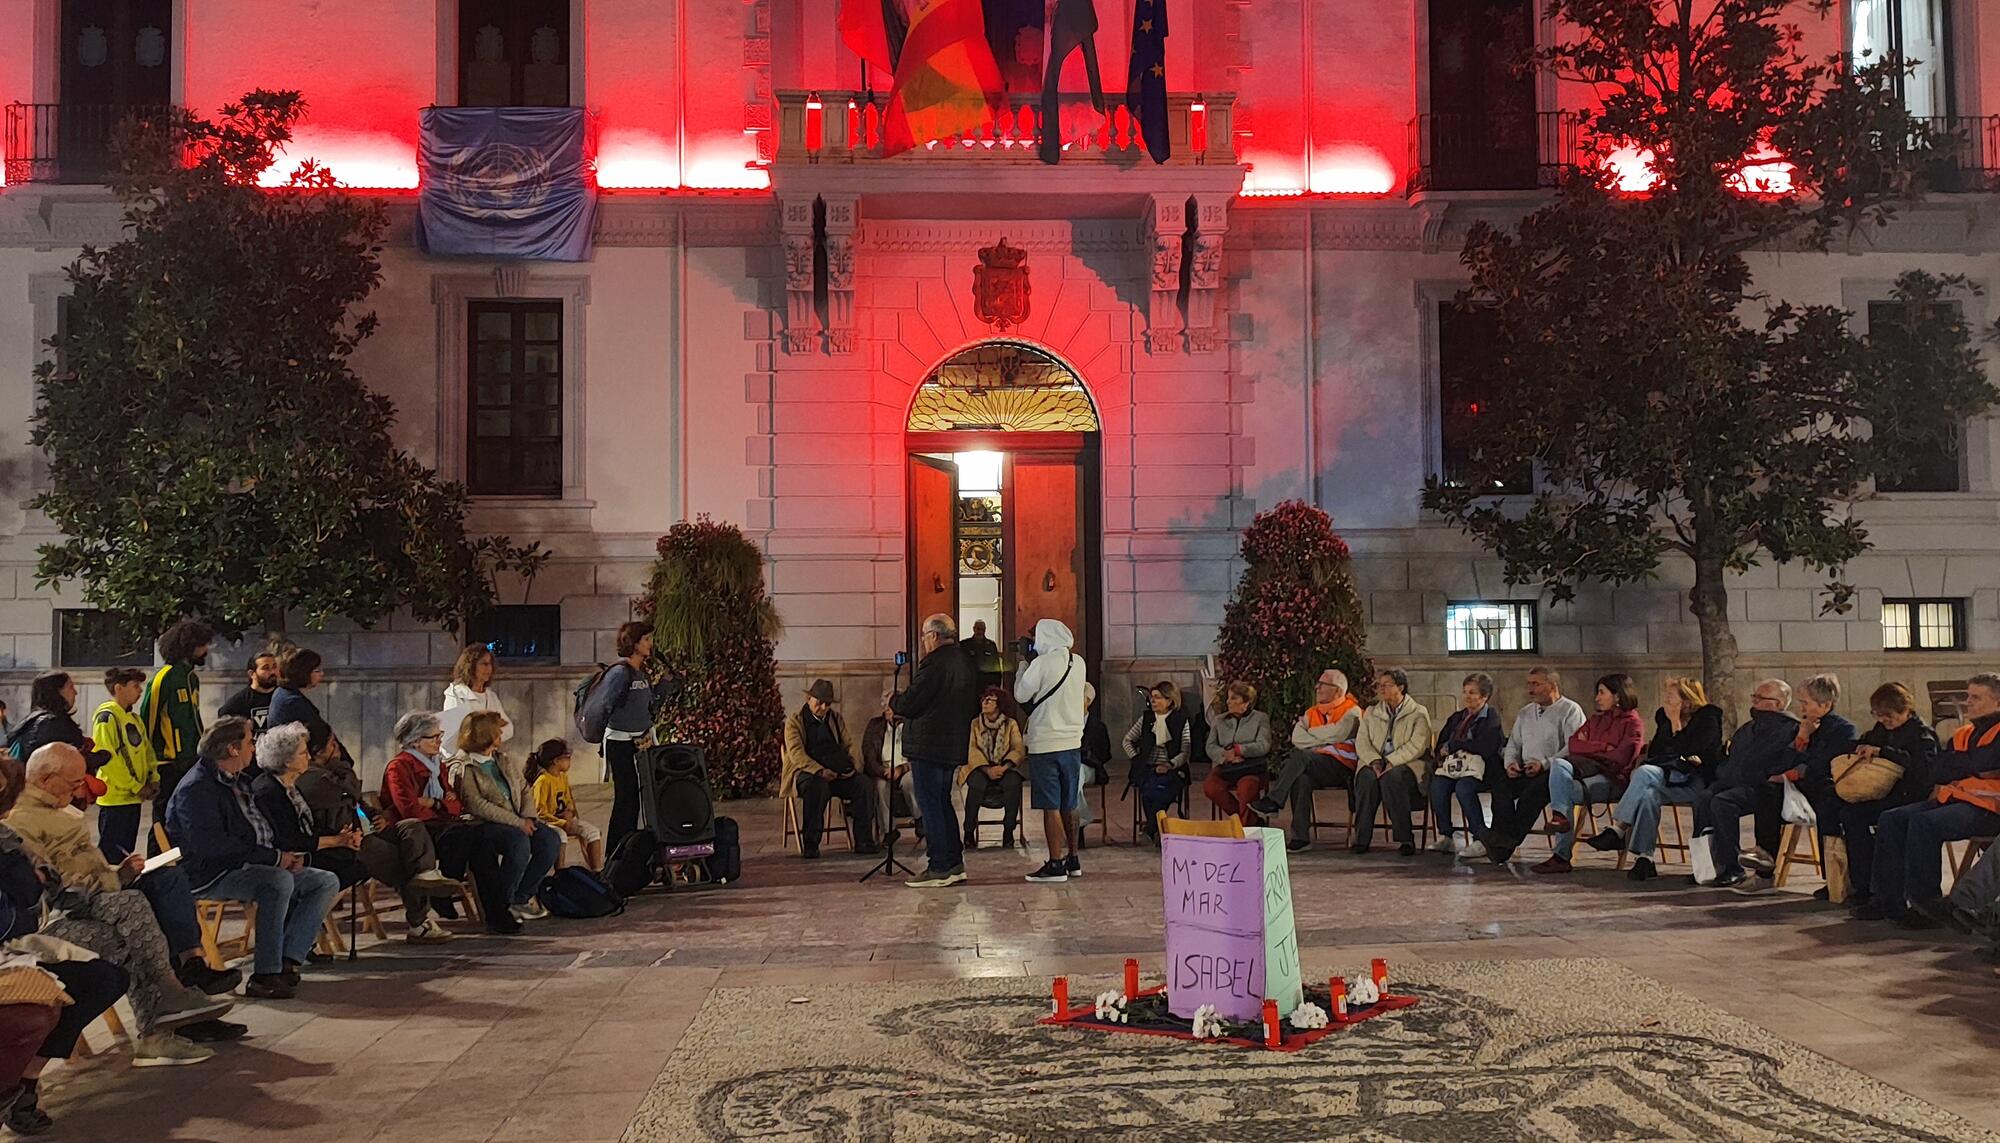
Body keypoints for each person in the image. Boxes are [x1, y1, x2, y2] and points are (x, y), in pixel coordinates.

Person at [7, 747, 239, 1062]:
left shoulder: (57, 809)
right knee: (132, 914)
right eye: (74, 783)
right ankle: (165, 1012)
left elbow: (80, 867)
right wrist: (114, 879)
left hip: (93, 898)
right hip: (57, 917)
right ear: (46, 779)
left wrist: (118, 872)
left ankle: (182, 986)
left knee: (159, 889)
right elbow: (52, 884)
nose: (80, 789)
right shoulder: (21, 821)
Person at [164, 716, 341, 1000]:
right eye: (249, 742)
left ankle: (287, 960)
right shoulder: (197, 789)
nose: (253, 747)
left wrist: (284, 855)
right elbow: (213, 846)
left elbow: (257, 830)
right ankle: (265, 975)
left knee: (324, 881)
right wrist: (273, 858)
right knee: (277, 882)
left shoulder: (238, 780)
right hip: (211, 873)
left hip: (249, 862)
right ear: (232, 749)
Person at [0, 794, 128, 1134]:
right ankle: (11, 1089)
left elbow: (40, 894)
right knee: (38, 1009)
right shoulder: (21, 825)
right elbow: (20, 911)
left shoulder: (8, 838)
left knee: (104, 978)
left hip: (24, 941)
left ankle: (25, 1082)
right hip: (29, 937)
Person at [276, 723, 463, 943]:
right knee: (404, 861)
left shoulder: (333, 772)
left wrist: (378, 816)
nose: (337, 748)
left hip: (367, 828)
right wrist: (341, 765)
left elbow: (357, 800)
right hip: (345, 839)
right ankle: (419, 920)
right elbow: (348, 793)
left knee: (411, 828)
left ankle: (425, 874)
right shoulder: (310, 776)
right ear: (319, 750)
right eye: (332, 743)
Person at [1854, 672, 2000, 928]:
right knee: (1892, 819)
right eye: (1968, 696)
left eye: (1976, 697)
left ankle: (1926, 907)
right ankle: (1887, 900)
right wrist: (1973, 766)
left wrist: (1967, 765)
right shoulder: (1964, 733)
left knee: (1925, 824)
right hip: (1955, 798)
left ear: (1997, 702)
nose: (1967, 702)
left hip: (1988, 808)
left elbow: (1982, 763)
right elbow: (1940, 770)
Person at [380, 711, 516, 934]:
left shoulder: (437, 765)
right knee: (464, 836)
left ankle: (496, 913)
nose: (439, 741)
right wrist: (442, 804)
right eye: (433, 737)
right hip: (415, 832)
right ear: (415, 741)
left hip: (443, 825)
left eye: (439, 735)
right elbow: (410, 809)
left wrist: (435, 803)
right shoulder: (399, 767)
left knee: (482, 843)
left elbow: (456, 804)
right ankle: (447, 894)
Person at [1584, 676, 1727, 881]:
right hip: (1667, 776)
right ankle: (1645, 858)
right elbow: (1657, 752)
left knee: (1644, 776)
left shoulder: (1708, 717)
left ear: (1686, 700)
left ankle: (1619, 828)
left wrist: (1676, 724)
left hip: (1696, 782)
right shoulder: (1663, 716)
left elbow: (1698, 752)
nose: (1665, 701)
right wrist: (1672, 728)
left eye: (1670, 697)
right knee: (1648, 794)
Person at [891, 614, 980, 888]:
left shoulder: (934, 663)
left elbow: (911, 703)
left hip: (928, 746)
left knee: (931, 806)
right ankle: (954, 863)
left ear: (934, 636)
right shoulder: (964, 661)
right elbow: (973, 706)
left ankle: (939, 866)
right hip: (952, 745)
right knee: (942, 802)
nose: (923, 641)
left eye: (924, 636)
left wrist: (894, 701)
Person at [451, 711, 562, 924]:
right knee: (518, 843)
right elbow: (476, 804)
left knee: (550, 840)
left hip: (518, 818)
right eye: (497, 732)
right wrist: (518, 823)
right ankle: (503, 901)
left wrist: (529, 817)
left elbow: (524, 788)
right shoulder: (463, 766)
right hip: (484, 824)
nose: (501, 736)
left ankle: (521, 897)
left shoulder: (502, 759)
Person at [1838, 682, 1940, 912]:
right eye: (1879, 715)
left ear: (1906, 710)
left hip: (1911, 795)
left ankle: (1883, 893)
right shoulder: (1882, 729)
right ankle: (1862, 885)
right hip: (1886, 791)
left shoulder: (1922, 735)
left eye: (1889, 716)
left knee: (1888, 820)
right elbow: (1866, 741)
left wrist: (1885, 752)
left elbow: (1922, 771)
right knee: (1849, 813)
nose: (1884, 720)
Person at [1693, 679, 1800, 889]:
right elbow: (1732, 758)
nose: (1754, 701)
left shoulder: (1790, 729)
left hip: (1762, 788)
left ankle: (1732, 868)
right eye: (1754, 696)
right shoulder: (1748, 728)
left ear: (1778, 703)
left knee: (1723, 803)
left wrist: (1755, 776)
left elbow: (1781, 763)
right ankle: (1706, 867)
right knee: (1703, 798)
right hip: (1733, 781)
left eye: (1760, 698)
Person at [1534, 673, 1646, 875]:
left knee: (1562, 790)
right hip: (1586, 772)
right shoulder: (1595, 720)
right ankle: (1560, 818)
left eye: (1602, 693)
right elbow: (1574, 745)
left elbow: (1620, 758)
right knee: (1559, 765)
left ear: (1617, 696)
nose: (1597, 698)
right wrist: (1603, 747)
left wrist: (1591, 747)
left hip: (1613, 779)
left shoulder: (1632, 723)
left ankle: (1561, 855)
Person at [1251, 669, 1363, 852]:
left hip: (1341, 766)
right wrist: (1325, 738)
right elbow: (1297, 738)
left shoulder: (1352, 711)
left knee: (1301, 756)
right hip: (1314, 764)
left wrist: (1311, 735)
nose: (1317, 688)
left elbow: (1339, 734)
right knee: (1301, 779)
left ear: (1337, 690)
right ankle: (1300, 838)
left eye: (1323, 684)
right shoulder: (1312, 712)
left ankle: (1274, 801)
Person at [1485, 667, 1587, 865]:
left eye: (1536, 684)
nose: (1530, 689)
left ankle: (1504, 844)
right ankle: (1503, 841)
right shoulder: (1525, 712)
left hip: (1553, 772)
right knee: (1501, 788)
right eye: (1528, 684)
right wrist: (1511, 763)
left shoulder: (1570, 710)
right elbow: (1514, 743)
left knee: (1531, 795)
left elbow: (1572, 747)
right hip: (1525, 768)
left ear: (1552, 686)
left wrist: (1544, 764)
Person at [1016, 618, 1088, 884]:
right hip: (1072, 742)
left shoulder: (1041, 663)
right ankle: (1073, 859)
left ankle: (1055, 863)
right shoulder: (1078, 662)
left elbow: (1021, 695)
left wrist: (1022, 665)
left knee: (1051, 805)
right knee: (1070, 802)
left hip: (1046, 743)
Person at [579, 621, 657, 860]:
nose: (650, 644)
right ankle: (616, 853)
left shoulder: (640, 673)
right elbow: (605, 704)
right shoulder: (620, 672)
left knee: (635, 799)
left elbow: (646, 706)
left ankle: (630, 851)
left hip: (640, 743)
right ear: (633, 644)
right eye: (646, 639)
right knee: (626, 797)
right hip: (620, 742)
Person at [780, 679, 878, 859]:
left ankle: (864, 840)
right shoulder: (795, 721)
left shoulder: (835, 719)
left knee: (863, 784)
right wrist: (819, 770)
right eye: (819, 702)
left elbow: (849, 745)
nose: (823, 707)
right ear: (809, 699)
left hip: (836, 772)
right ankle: (811, 844)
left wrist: (852, 768)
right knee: (818, 787)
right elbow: (796, 754)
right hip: (807, 772)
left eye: (827, 704)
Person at [142, 618, 214, 850]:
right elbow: (147, 720)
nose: (206, 650)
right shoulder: (164, 677)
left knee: (185, 813)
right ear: (189, 646)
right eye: (202, 644)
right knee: (163, 815)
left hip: (190, 759)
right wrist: (148, 766)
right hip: (167, 762)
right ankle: (157, 861)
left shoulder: (191, 678)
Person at [1350, 668, 1434, 856]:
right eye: (1380, 685)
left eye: (1386, 685)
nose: (1381, 689)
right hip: (1375, 762)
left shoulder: (1418, 712)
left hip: (1407, 764)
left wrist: (1391, 761)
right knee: (1366, 779)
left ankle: (1405, 838)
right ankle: (1361, 838)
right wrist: (1374, 761)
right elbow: (1362, 742)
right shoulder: (1371, 712)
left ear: (1400, 687)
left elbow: (1418, 745)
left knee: (1393, 778)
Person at [1426, 672, 1504, 860]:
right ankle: (1446, 835)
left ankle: (1481, 838)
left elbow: (1486, 747)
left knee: (1464, 788)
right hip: (1454, 768)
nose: (1467, 697)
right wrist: (1442, 751)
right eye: (1465, 692)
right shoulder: (1457, 718)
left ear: (1484, 696)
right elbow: (1442, 742)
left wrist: (1456, 745)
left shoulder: (1491, 718)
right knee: (1437, 785)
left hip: (1482, 769)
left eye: (1472, 693)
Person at [91, 667, 159, 863]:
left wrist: (153, 777)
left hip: (133, 797)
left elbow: (147, 751)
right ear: (119, 688)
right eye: (135, 686)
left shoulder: (134, 718)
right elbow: (108, 759)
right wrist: (136, 786)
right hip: (115, 798)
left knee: (126, 851)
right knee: (111, 853)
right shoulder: (107, 717)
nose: (140, 691)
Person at [1125, 681, 1193, 842]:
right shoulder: (1146, 718)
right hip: (1148, 767)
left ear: (1169, 700)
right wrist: (1136, 758)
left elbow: (1185, 751)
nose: (1153, 701)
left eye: (1158, 697)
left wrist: (1170, 765)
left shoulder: (1180, 719)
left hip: (1173, 768)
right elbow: (1127, 740)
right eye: (1152, 697)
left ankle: (1151, 828)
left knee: (1162, 791)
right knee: (1147, 790)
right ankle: (1156, 828)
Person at [960, 688, 1026, 851]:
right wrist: (986, 769)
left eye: (989, 700)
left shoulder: (1011, 724)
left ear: (999, 704)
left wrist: (1004, 767)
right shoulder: (975, 724)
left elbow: (1018, 748)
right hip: (981, 767)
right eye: (983, 699)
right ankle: (969, 831)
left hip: (1004, 766)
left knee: (1013, 782)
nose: (985, 703)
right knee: (976, 783)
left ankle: (1008, 830)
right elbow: (972, 749)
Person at [7, 671, 112, 773]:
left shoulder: (32, 721)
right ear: (57, 692)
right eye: (71, 687)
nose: (76, 692)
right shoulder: (51, 723)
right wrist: (98, 757)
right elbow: (60, 764)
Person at [528, 739, 605, 873]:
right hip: (549, 823)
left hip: (565, 820)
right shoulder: (543, 781)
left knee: (592, 832)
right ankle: (561, 873)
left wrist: (570, 812)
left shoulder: (562, 777)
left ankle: (597, 871)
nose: (570, 761)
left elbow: (568, 800)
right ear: (556, 761)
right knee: (561, 836)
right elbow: (540, 813)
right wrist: (562, 823)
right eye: (567, 758)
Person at [1203, 682, 1273, 827]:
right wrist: (1225, 755)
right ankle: (1250, 822)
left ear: (1246, 702)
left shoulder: (1260, 718)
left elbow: (1264, 745)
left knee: (1246, 789)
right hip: (1226, 765)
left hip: (1250, 766)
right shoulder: (1219, 720)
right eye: (1228, 698)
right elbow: (1210, 746)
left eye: (1234, 698)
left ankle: (1244, 829)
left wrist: (1240, 750)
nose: (1228, 702)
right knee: (1211, 787)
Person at [861, 694, 918, 843]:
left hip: (906, 769)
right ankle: (888, 831)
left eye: (890, 706)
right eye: (884, 706)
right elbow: (868, 754)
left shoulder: (912, 725)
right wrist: (882, 771)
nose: (886, 709)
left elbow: (919, 755)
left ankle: (920, 819)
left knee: (910, 781)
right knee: (879, 786)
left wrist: (903, 768)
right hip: (883, 770)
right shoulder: (875, 725)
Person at [440, 643, 514, 751]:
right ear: (471, 666)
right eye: (484, 664)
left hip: (486, 755)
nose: (489, 668)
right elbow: (454, 733)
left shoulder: (491, 696)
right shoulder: (457, 694)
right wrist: (491, 731)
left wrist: (486, 737)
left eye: (490, 664)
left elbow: (508, 729)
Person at [267, 647, 336, 756]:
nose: (322, 673)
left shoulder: (284, 693)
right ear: (304, 672)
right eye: (317, 670)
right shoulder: (292, 701)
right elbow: (319, 735)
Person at [1078, 681, 1112, 849]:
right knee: (1073, 777)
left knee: (1075, 773)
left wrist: (1087, 756)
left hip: (1091, 768)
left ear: (1088, 701)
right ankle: (1079, 821)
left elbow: (1105, 754)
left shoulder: (1098, 726)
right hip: (1069, 768)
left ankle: (1078, 823)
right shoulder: (1065, 724)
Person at [217, 651, 280, 733]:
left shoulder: (284, 695)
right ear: (252, 674)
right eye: (266, 668)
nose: (272, 672)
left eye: (274, 667)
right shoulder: (241, 700)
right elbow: (223, 719)